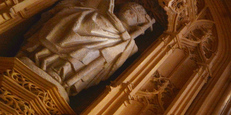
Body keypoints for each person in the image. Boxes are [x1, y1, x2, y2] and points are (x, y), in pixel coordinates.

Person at [18, 0, 154, 96]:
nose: (130, 12)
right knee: (75, 18)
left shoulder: (127, 45)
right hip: (28, 65)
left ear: (138, 24)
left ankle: (61, 73)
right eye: (130, 9)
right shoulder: (96, 14)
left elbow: (108, 63)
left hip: (56, 82)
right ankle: (42, 56)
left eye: (135, 14)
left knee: (90, 52)